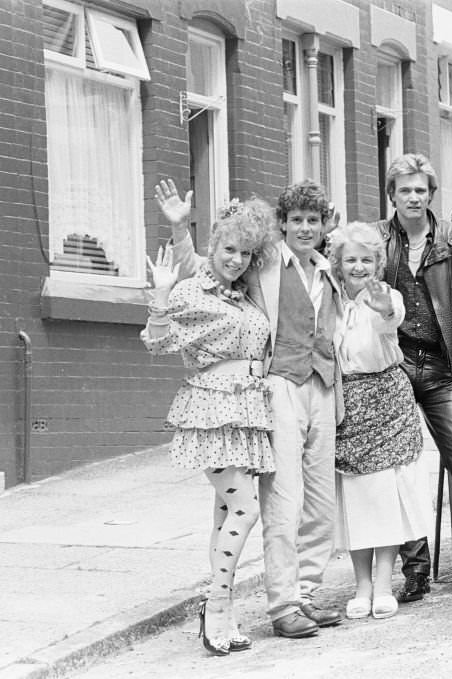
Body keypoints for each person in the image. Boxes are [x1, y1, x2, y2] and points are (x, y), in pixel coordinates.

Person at [162, 178, 345, 638]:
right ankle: (283, 604)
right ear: (282, 225)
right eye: (296, 220)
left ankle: (305, 592)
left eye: (313, 221)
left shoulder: (329, 269)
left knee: (322, 504)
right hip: (277, 386)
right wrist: (180, 229)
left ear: (324, 226)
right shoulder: (261, 266)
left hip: (322, 387)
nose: (305, 228)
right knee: (284, 501)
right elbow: (206, 267)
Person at [141, 198, 277, 655]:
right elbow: (158, 345)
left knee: (225, 512)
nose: (236, 260)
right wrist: (160, 296)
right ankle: (215, 604)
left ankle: (226, 610)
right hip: (210, 412)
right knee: (246, 509)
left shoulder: (244, 294)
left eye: (245, 253)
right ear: (213, 245)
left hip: (246, 413)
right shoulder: (189, 292)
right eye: (229, 250)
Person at [373, 153, 452, 601]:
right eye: (405, 189)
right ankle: (416, 570)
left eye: (421, 189)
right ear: (392, 195)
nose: (413, 197)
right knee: (404, 468)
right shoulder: (376, 241)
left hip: (444, 366)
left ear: (431, 195)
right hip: (395, 365)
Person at [327, 221, 432, 620]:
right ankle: (362, 586)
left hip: (387, 398)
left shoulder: (384, 294)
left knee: (387, 496)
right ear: (339, 263)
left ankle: (385, 583)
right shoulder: (331, 302)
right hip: (348, 403)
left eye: (366, 260)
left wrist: (383, 305)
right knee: (355, 497)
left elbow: (393, 317)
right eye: (350, 259)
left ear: (378, 263)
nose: (358, 267)